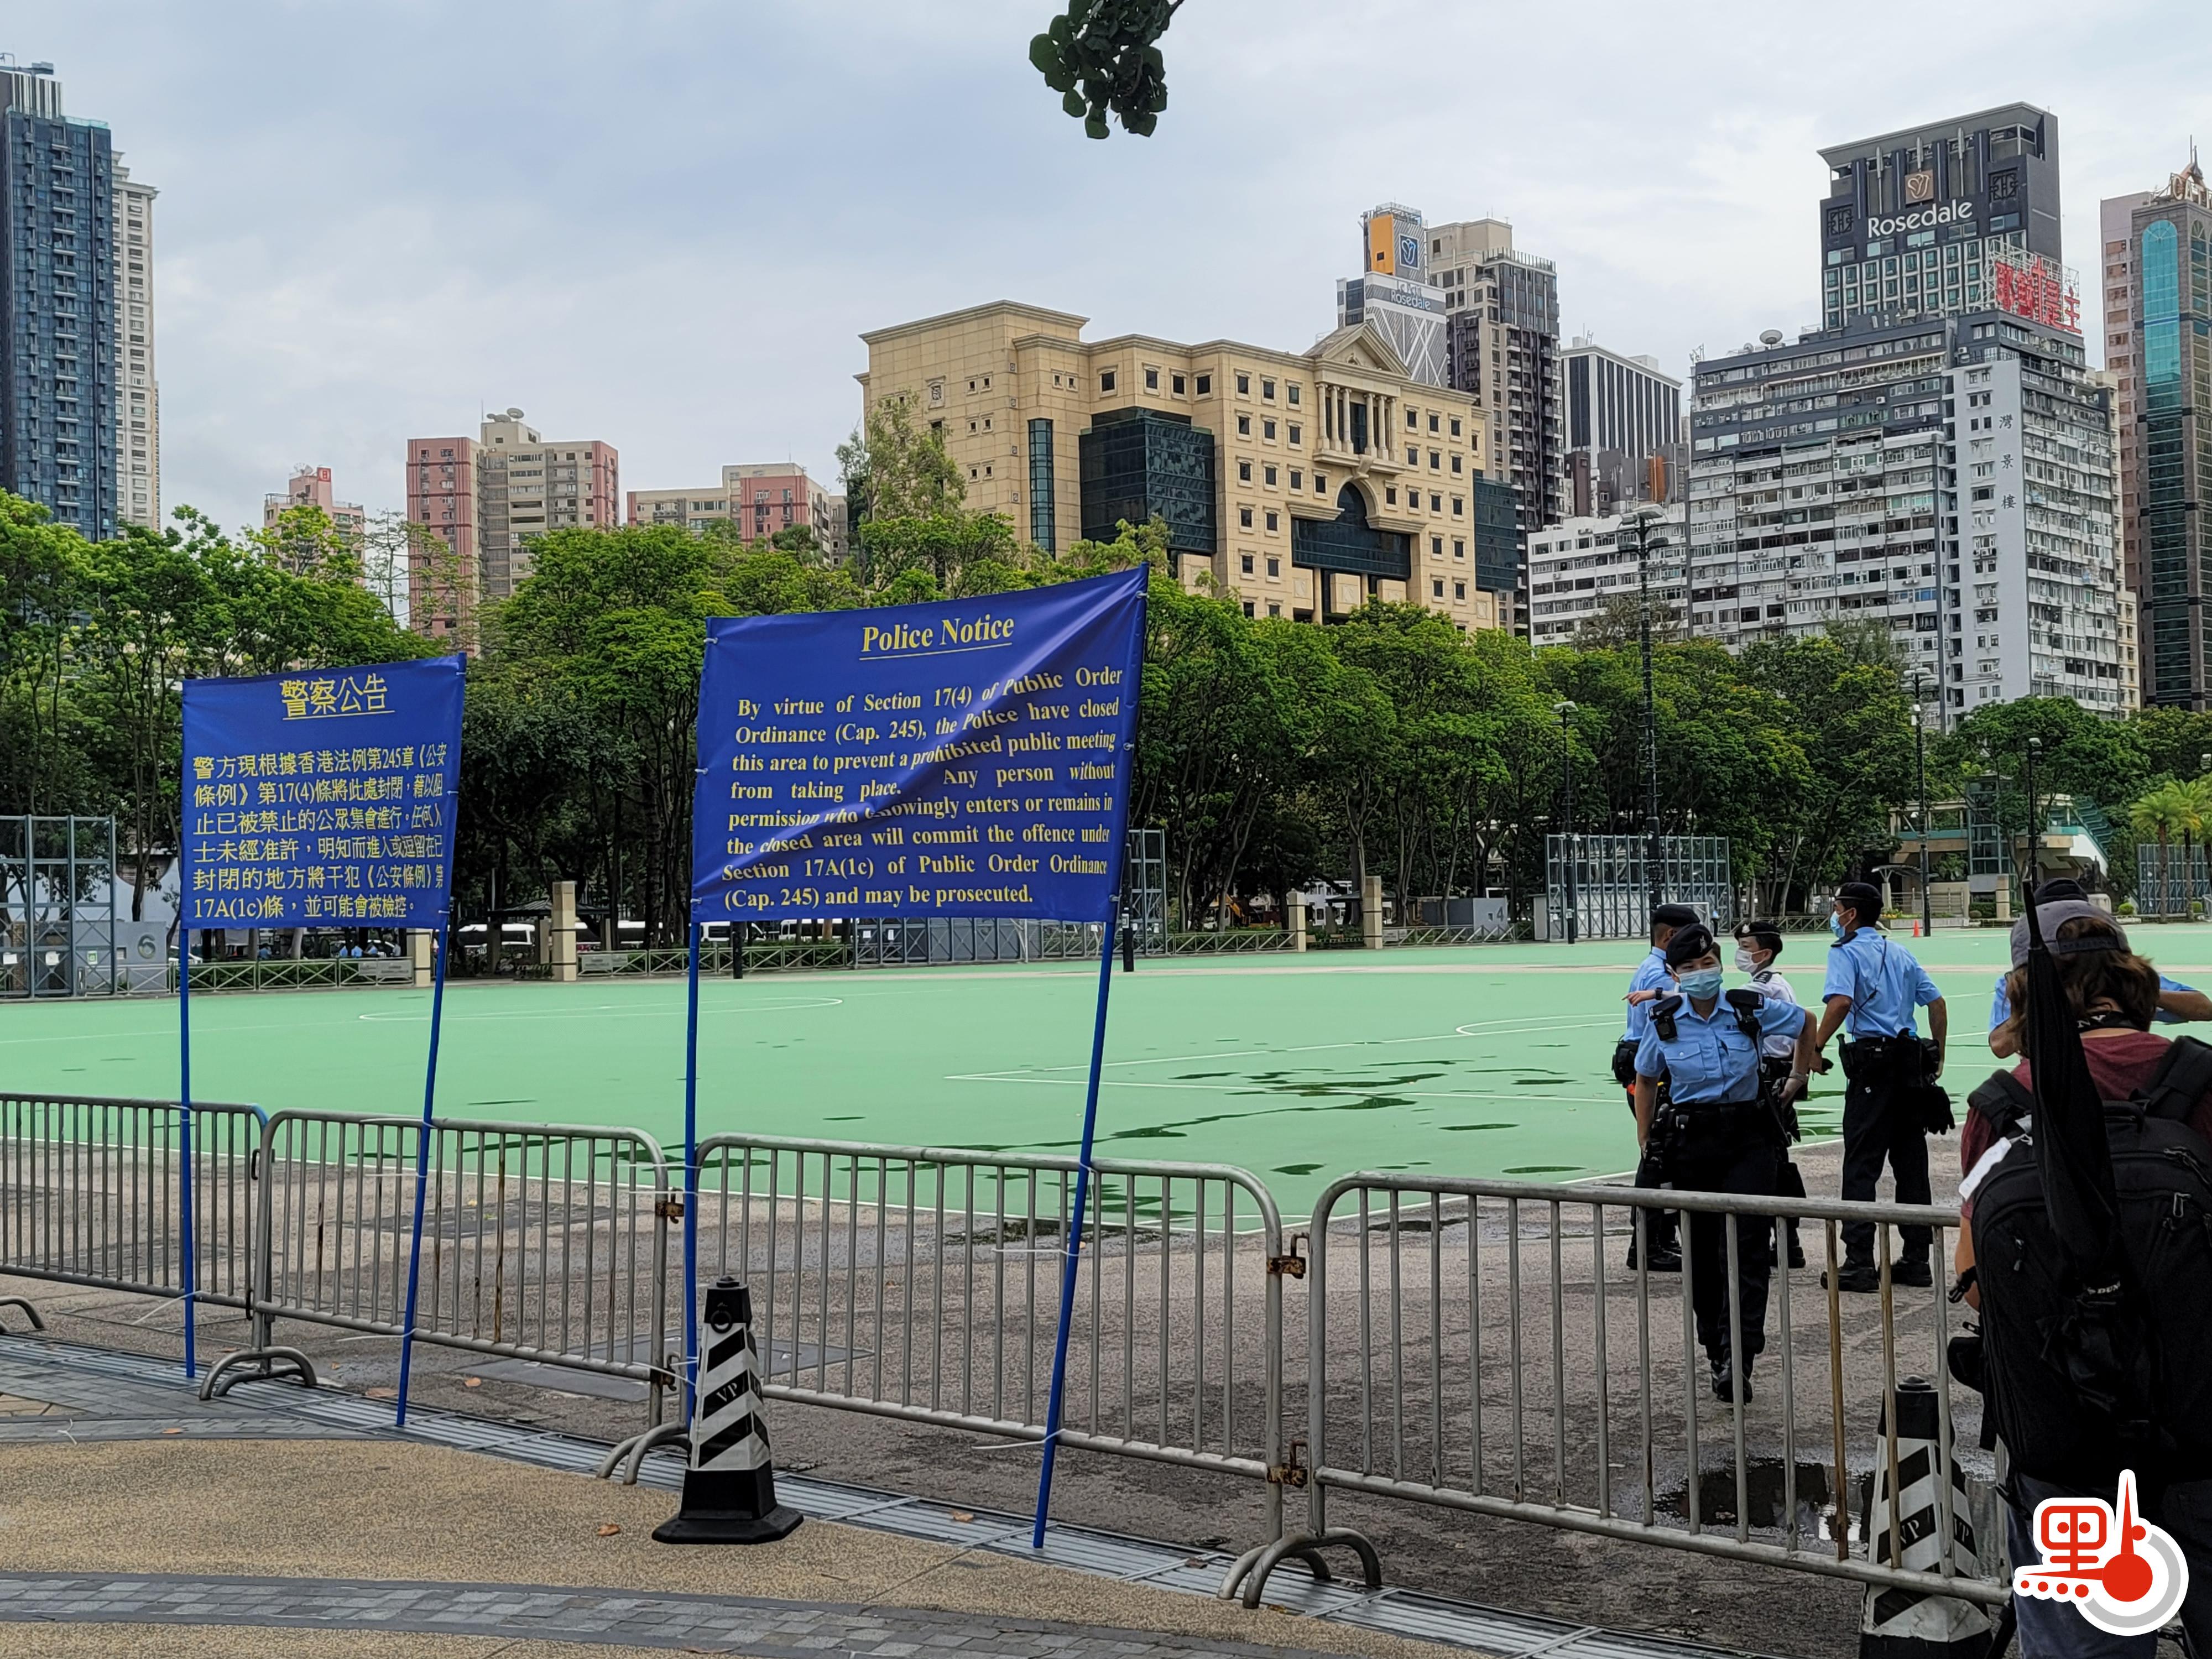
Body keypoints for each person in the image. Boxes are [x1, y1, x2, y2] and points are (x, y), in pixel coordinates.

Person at [1954, 905, 2212, 1658]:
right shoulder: (2200, 1081)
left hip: (2063, 1430)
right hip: (2202, 1417)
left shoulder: (2005, 1103)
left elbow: (1976, 1283)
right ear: (2140, 988)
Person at [1631, 922, 1818, 1404]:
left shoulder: (1747, 1007)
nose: (1702, 973)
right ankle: (1715, 1347)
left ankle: (1741, 1356)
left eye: (1708, 964)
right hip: (1692, 1142)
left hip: (1749, 1139)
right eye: (1689, 968)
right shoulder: (1665, 1020)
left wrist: (1798, 1077)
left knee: (1749, 1249)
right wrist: (1645, 1139)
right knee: (1704, 1253)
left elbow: (1805, 1023)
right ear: (1673, 974)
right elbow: (1647, 1079)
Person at [1812, 880, 1947, 1292]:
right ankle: (1917, 1258)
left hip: (1872, 1063)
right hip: (1909, 1064)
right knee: (1910, 1163)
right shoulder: (1901, 952)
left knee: (1862, 1164)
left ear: (1850, 914)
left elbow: (1840, 1003)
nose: (1834, 913)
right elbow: (1937, 1004)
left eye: (1838, 907)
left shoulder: (1846, 953)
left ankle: (1858, 1261)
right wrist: (1937, 1057)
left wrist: (1815, 1046)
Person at [1986, 878, 2212, 1058]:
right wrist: (2044, 998)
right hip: (2056, 1076)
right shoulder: (2022, 982)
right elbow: (2000, 1045)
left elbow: (2204, 1008)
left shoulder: (2118, 971)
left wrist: (2133, 990)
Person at [1615, 902, 1699, 1271]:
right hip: (1656, 1071)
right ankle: (1648, 1245)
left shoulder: (1652, 968)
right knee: (1657, 1156)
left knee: (1662, 1157)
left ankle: (1659, 1240)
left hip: (1641, 1064)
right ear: (1670, 937)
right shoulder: (1663, 976)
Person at [1733, 920, 1809, 1270]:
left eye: (1745, 946)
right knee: (1776, 1157)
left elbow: (1726, 1011)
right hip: (1777, 1074)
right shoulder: (1776, 982)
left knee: (1769, 1161)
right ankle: (1787, 1239)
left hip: (1769, 1078)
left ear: (1763, 953)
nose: (1740, 952)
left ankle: (1783, 1237)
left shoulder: (1762, 988)